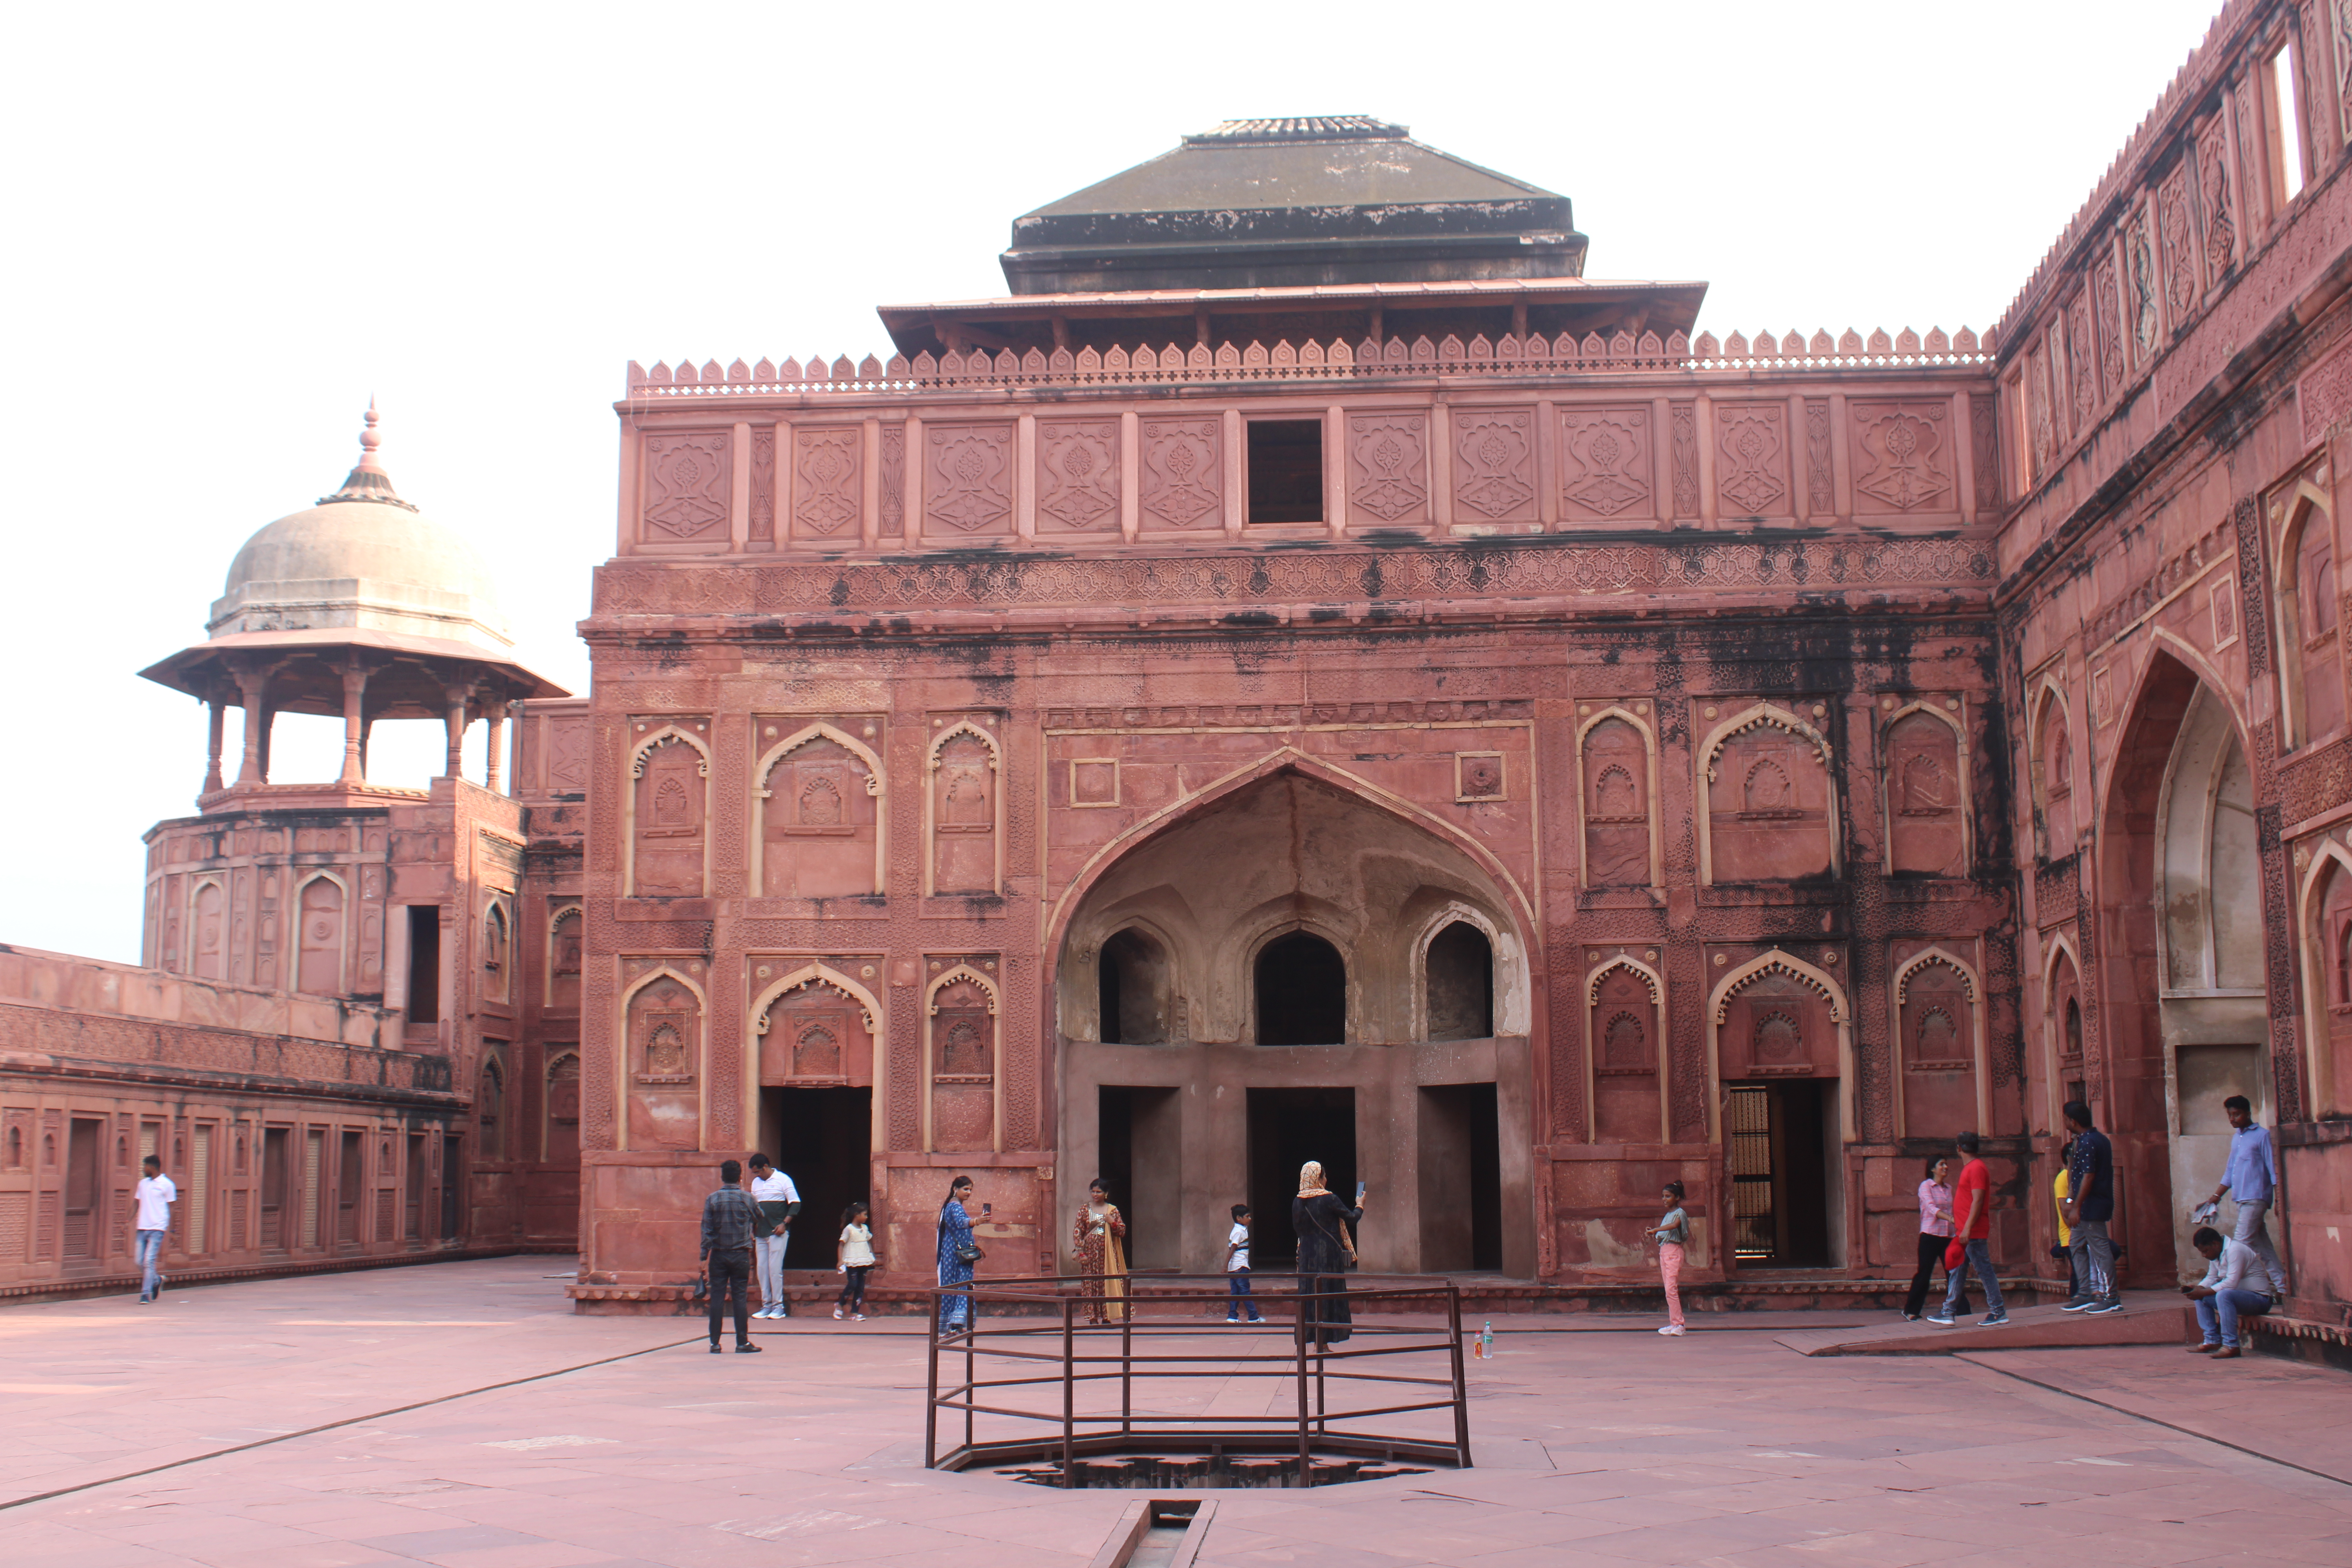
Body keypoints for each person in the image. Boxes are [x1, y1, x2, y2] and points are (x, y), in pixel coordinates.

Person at [2192, 1095, 2287, 1302]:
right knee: (2263, 1247)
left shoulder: (2262, 1136)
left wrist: (2279, 1199)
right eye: (2230, 1115)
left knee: (2240, 1245)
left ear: (2248, 1114)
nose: (2233, 1119)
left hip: (2257, 1197)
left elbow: (2274, 1170)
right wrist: (2215, 1198)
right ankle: (2283, 1287)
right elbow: (2230, 1172)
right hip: (2242, 1199)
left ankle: (2225, 1286)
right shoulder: (2238, 1138)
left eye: (2237, 1114)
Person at [1927, 1132, 2008, 1327]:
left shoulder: (1976, 1168)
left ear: (1959, 1148)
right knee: (1958, 1270)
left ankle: (1998, 1312)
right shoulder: (1973, 1168)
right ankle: (1949, 1311)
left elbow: (1978, 1200)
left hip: (1972, 1232)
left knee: (1983, 1271)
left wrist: (1968, 1229)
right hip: (1966, 1230)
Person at [2058, 1101, 2122, 1314]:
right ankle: (2086, 1292)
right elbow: (2074, 1174)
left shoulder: (2089, 1142)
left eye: (2066, 1118)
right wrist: (2070, 1201)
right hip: (2085, 1205)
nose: (2065, 1121)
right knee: (2076, 1245)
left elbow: (2088, 1176)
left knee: (2100, 1250)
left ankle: (2110, 1296)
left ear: (2072, 1121)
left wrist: (2076, 1206)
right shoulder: (2089, 1140)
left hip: (2092, 1205)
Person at [1293, 1161, 1361, 1348]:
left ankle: (1318, 1343)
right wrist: (1360, 1205)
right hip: (1328, 1256)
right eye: (1323, 1176)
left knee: (1311, 1295)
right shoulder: (1328, 1198)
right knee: (1328, 1294)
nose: (1326, 1179)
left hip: (1307, 1257)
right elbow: (1352, 1218)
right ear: (1319, 1178)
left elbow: (1299, 1230)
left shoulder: (1298, 1201)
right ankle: (1321, 1344)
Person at [698, 1158, 762, 1354]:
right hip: (741, 1254)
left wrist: (703, 1257)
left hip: (718, 1255)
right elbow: (760, 1217)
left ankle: (715, 1343)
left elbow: (707, 1230)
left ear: (722, 1177)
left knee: (717, 1298)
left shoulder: (713, 1199)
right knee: (740, 1298)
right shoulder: (747, 1198)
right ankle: (742, 1342)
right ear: (740, 1177)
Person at [2184, 1223, 2272, 1359]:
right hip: (2239, 1299)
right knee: (2201, 1297)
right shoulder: (2216, 1254)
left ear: (2215, 1245)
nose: (2204, 1255)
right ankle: (2211, 1341)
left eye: (2205, 1251)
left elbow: (2231, 1283)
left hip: (2260, 1300)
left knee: (2224, 1294)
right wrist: (2199, 1289)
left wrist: (2203, 1291)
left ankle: (2231, 1345)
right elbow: (2212, 1277)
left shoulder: (2235, 1250)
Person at [1902, 1157, 1959, 1321]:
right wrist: (1951, 1219)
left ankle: (1962, 1310)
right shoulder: (1926, 1186)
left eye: (1946, 1163)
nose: (1946, 1167)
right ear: (1933, 1169)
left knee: (1954, 1274)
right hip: (1930, 1236)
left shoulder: (1948, 1188)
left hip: (1948, 1237)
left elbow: (1954, 1209)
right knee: (1924, 1274)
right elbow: (1931, 1208)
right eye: (1942, 1164)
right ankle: (1911, 1310)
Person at [747, 1154, 801, 1320]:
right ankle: (766, 1306)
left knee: (775, 1269)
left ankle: (779, 1307)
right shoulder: (756, 1183)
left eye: (758, 1172)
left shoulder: (783, 1179)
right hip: (760, 1232)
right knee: (762, 1270)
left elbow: (796, 1203)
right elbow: (753, 1207)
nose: (757, 1175)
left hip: (777, 1232)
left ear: (765, 1167)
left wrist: (784, 1224)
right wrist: (751, 1228)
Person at [1073, 1178, 1129, 1325]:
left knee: (1107, 1284)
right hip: (1090, 1254)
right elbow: (1078, 1231)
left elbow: (1122, 1232)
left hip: (1108, 1255)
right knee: (1090, 1285)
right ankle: (1092, 1317)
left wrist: (1113, 1222)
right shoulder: (1085, 1210)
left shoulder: (1112, 1210)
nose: (1095, 1195)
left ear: (1106, 1194)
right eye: (1093, 1191)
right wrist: (1081, 1252)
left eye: (1099, 1192)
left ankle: (1107, 1316)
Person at [1643, 1180, 1690, 1336]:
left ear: (1677, 1197)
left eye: (1668, 1196)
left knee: (1671, 1289)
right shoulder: (1668, 1215)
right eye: (1663, 1196)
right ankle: (1674, 1323)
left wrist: (1656, 1229)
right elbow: (1664, 1233)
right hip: (1665, 1251)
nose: (1665, 1199)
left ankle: (1679, 1325)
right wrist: (1655, 1232)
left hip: (1673, 1252)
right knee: (1669, 1290)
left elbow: (1675, 1226)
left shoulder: (1679, 1213)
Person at [936, 1175, 980, 1335]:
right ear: (955, 1189)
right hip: (959, 1255)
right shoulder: (955, 1207)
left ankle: (951, 1325)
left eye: (970, 1190)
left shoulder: (950, 1206)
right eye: (966, 1189)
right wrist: (977, 1221)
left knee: (952, 1287)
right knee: (963, 1286)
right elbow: (962, 1223)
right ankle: (955, 1324)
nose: (969, 1193)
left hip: (951, 1253)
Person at [134, 1154, 176, 1305]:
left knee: (148, 1261)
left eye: (145, 1166)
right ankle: (157, 1280)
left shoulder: (167, 1184)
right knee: (139, 1262)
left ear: (152, 1167)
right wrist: (127, 1221)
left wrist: (172, 1231)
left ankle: (145, 1294)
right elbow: (136, 1203)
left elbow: (172, 1208)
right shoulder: (143, 1184)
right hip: (142, 1227)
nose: (143, 1169)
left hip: (158, 1228)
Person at [835, 1200, 877, 1321]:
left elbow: (869, 1241)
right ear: (857, 1215)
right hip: (852, 1260)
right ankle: (841, 1305)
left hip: (864, 1259)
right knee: (853, 1284)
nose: (866, 1217)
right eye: (865, 1214)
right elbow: (841, 1245)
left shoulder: (865, 1228)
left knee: (860, 1286)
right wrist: (840, 1260)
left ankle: (855, 1312)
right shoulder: (849, 1229)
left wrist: (872, 1255)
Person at [1225, 1203, 1262, 1325]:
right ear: (1239, 1218)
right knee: (1245, 1292)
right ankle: (1253, 1317)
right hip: (1240, 1266)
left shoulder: (1239, 1230)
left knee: (1235, 1292)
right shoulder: (1239, 1232)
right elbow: (1233, 1248)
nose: (1250, 1219)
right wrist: (1225, 1265)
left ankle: (1232, 1316)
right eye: (1247, 1216)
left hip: (1234, 1267)